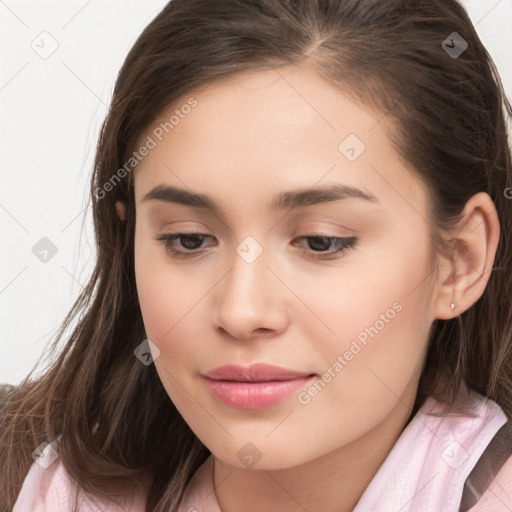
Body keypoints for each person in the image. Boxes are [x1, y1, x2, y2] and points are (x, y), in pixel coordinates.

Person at [2, 0, 512, 510]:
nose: (241, 312)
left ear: (460, 261)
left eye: (321, 242)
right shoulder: (48, 488)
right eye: (188, 239)